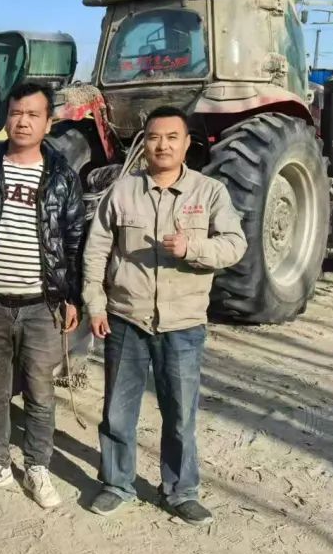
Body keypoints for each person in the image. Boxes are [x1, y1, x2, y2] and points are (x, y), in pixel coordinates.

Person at [81, 105, 246, 524]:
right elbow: (96, 249)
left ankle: (180, 491)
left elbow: (235, 244)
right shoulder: (122, 192)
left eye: (172, 137)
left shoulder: (210, 193)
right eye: (154, 137)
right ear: (145, 143)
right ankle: (117, 484)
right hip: (126, 319)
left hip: (183, 325)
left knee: (180, 414)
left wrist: (194, 249)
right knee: (118, 412)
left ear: (187, 144)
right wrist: (95, 303)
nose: (163, 145)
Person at [0, 82, 85, 509]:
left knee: (40, 392)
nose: (23, 121)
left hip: (41, 305)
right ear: (7, 118)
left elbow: (74, 240)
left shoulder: (62, 175)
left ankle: (37, 466)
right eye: (16, 113)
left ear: (48, 122)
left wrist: (72, 297)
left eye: (33, 114)